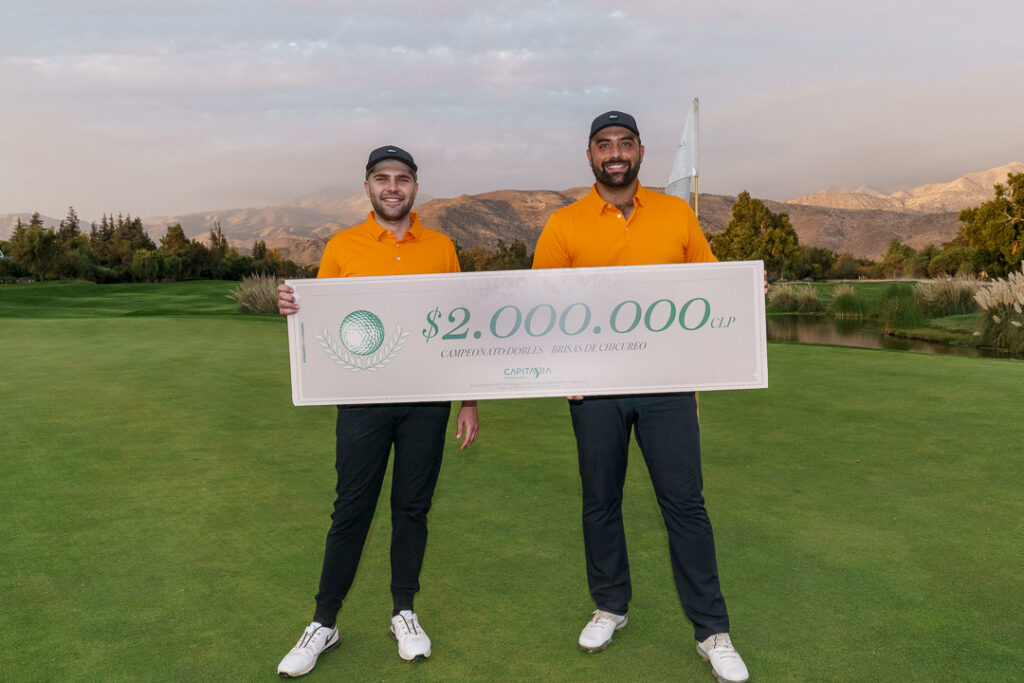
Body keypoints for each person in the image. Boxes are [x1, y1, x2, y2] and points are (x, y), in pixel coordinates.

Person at [532, 111, 749, 683]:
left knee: (685, 505)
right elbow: (541, 306)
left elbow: (711, 285)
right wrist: (559, 370)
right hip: (594, 390)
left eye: (625, 143)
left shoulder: (677, 214)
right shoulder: (564, 224)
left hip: (668, 386)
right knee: (600, 500)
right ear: (590, 155)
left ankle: (712, 630)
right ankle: (610, 605)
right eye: (604, 144)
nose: (615, 153)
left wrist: (746, 291)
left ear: (640, 151)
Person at [275, 145, 479, 678]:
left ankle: (403, 613)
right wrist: (293, 307)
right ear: (367, 186)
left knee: (413, 507)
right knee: (352, 508)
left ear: (416, 187)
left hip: (426, 401)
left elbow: (460, 327)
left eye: (402, 178)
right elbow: (320, 318)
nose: (393, 187)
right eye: (383, 178)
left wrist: (469, 400)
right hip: (362, 401)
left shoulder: (441, 247)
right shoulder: (343, 246)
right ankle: (324, 622)